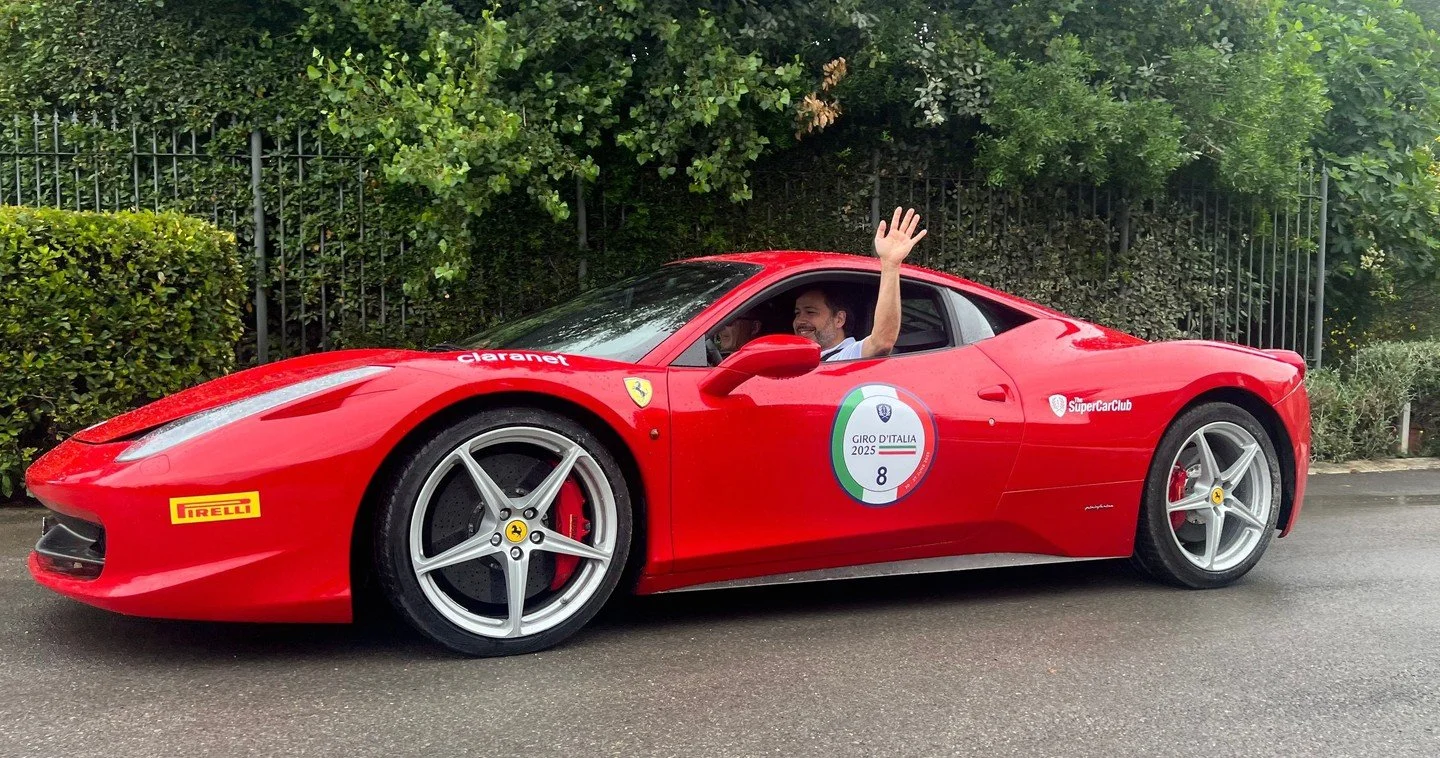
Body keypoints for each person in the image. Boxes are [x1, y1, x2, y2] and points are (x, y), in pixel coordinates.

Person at [793, 206, 927, 361]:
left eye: (810, 312)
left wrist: (890, 265)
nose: (800, 320)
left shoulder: (849, 356)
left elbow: (882, 342)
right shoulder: (800, 359)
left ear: (839, 319)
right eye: (797, 313)